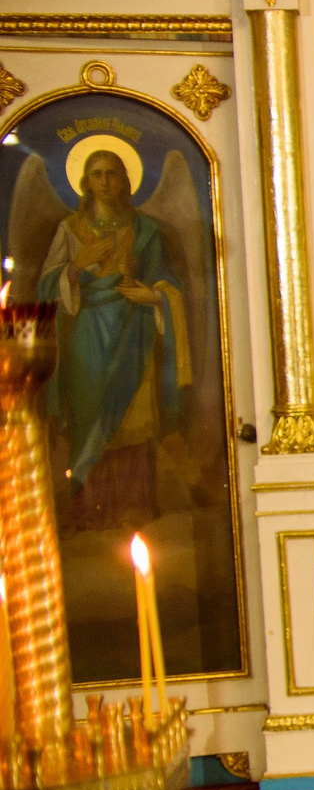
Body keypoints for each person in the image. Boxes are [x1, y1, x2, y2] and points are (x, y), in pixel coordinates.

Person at [37, 144, 190, 534]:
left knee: (135, 422)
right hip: (87, 335)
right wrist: (76, 266)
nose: (105, 181)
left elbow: (168, 282)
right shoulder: (69, 230)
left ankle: (135, 506)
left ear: (126, 180)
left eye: (113, 173)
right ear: (85, 182)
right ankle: (91, 509)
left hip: (135, 332)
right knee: (90, 420)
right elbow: (45, 290)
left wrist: (154, 296)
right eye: (97, 174)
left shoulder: (146, 231)